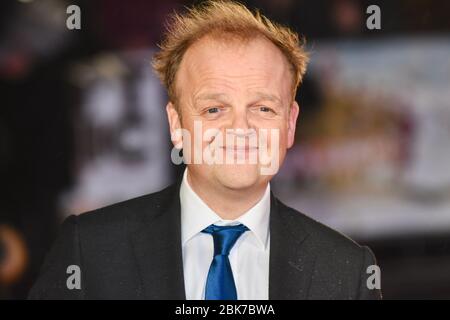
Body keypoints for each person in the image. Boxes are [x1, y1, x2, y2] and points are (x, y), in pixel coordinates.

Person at [29, 0, 381, 300]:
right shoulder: (89, 252)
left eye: (263, 109)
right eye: (214, 109)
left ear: (289, 125)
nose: (240, 130)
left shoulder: (348, 273)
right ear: (176, 125)